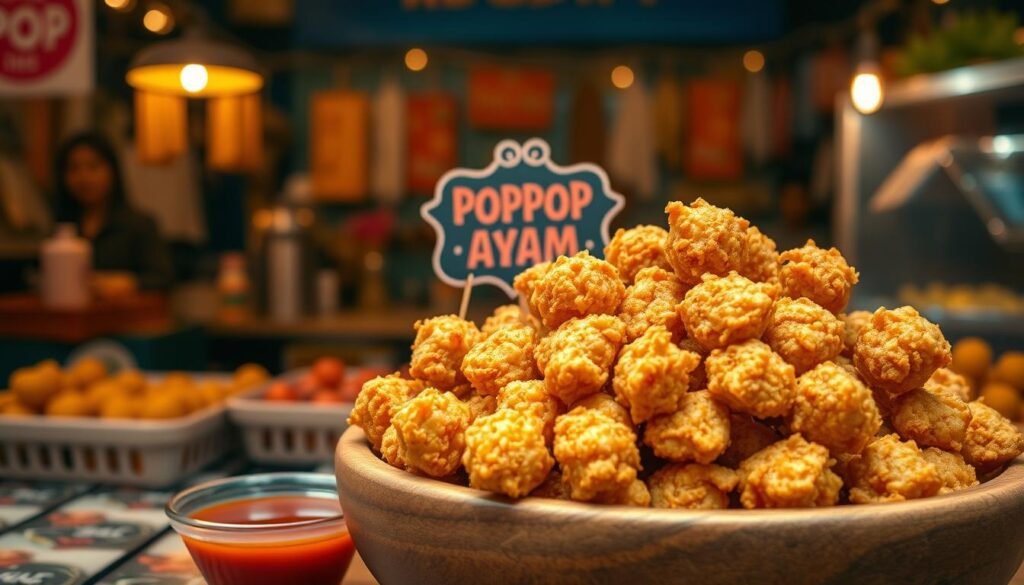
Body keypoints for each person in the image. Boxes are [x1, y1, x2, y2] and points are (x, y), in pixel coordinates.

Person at [54, 132, 174, 290]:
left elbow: (163, 278)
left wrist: (123, 282)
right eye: (73, 169)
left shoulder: (138, 224)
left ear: (113, 172)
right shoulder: (59, 226)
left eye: (93, 167)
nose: (83, 177)